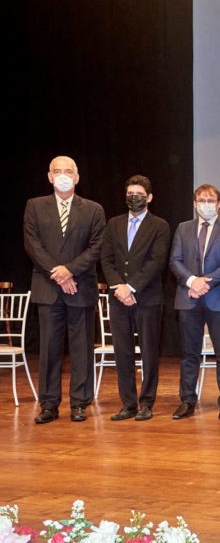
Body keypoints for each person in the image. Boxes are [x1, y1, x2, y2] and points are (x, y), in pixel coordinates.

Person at [24, 156, 106, 424]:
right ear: (49, 176)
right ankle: (49, 404)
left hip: (81, 287)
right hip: (48, 288)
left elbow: (96, 247)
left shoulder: (93, 209)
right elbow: (33, 245)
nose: (62, 175)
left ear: (77, 177)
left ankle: (80, 403)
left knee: (82, 347)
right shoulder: (34, 206)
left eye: (68, 171)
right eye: (57, 171)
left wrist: (69, 270)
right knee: (49, 347)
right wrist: (58, 274)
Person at [100, 175, 171, 421]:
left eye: (138, 194)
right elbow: (106, 259)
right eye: (129, 194)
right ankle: (128, 403)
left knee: (149, 352)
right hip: (118, 298)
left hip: (148, 298)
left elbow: (157, 261)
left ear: (149, 197)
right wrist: (119, 287)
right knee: (123, 353)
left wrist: (131, 287)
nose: (133, 198)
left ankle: (146, 402)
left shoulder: (160, 225)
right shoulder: (113, 224)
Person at [169, 184, 220, 420]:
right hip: (188, 297)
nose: (206, 204)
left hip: (219, 298)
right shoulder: (183, 228)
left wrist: (205, 283)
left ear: (219, 204)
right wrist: (192, 282)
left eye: (210, 200)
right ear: (194, 203)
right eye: (201, 200)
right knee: (189, 353)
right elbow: (175, 260)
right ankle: (187, 400)